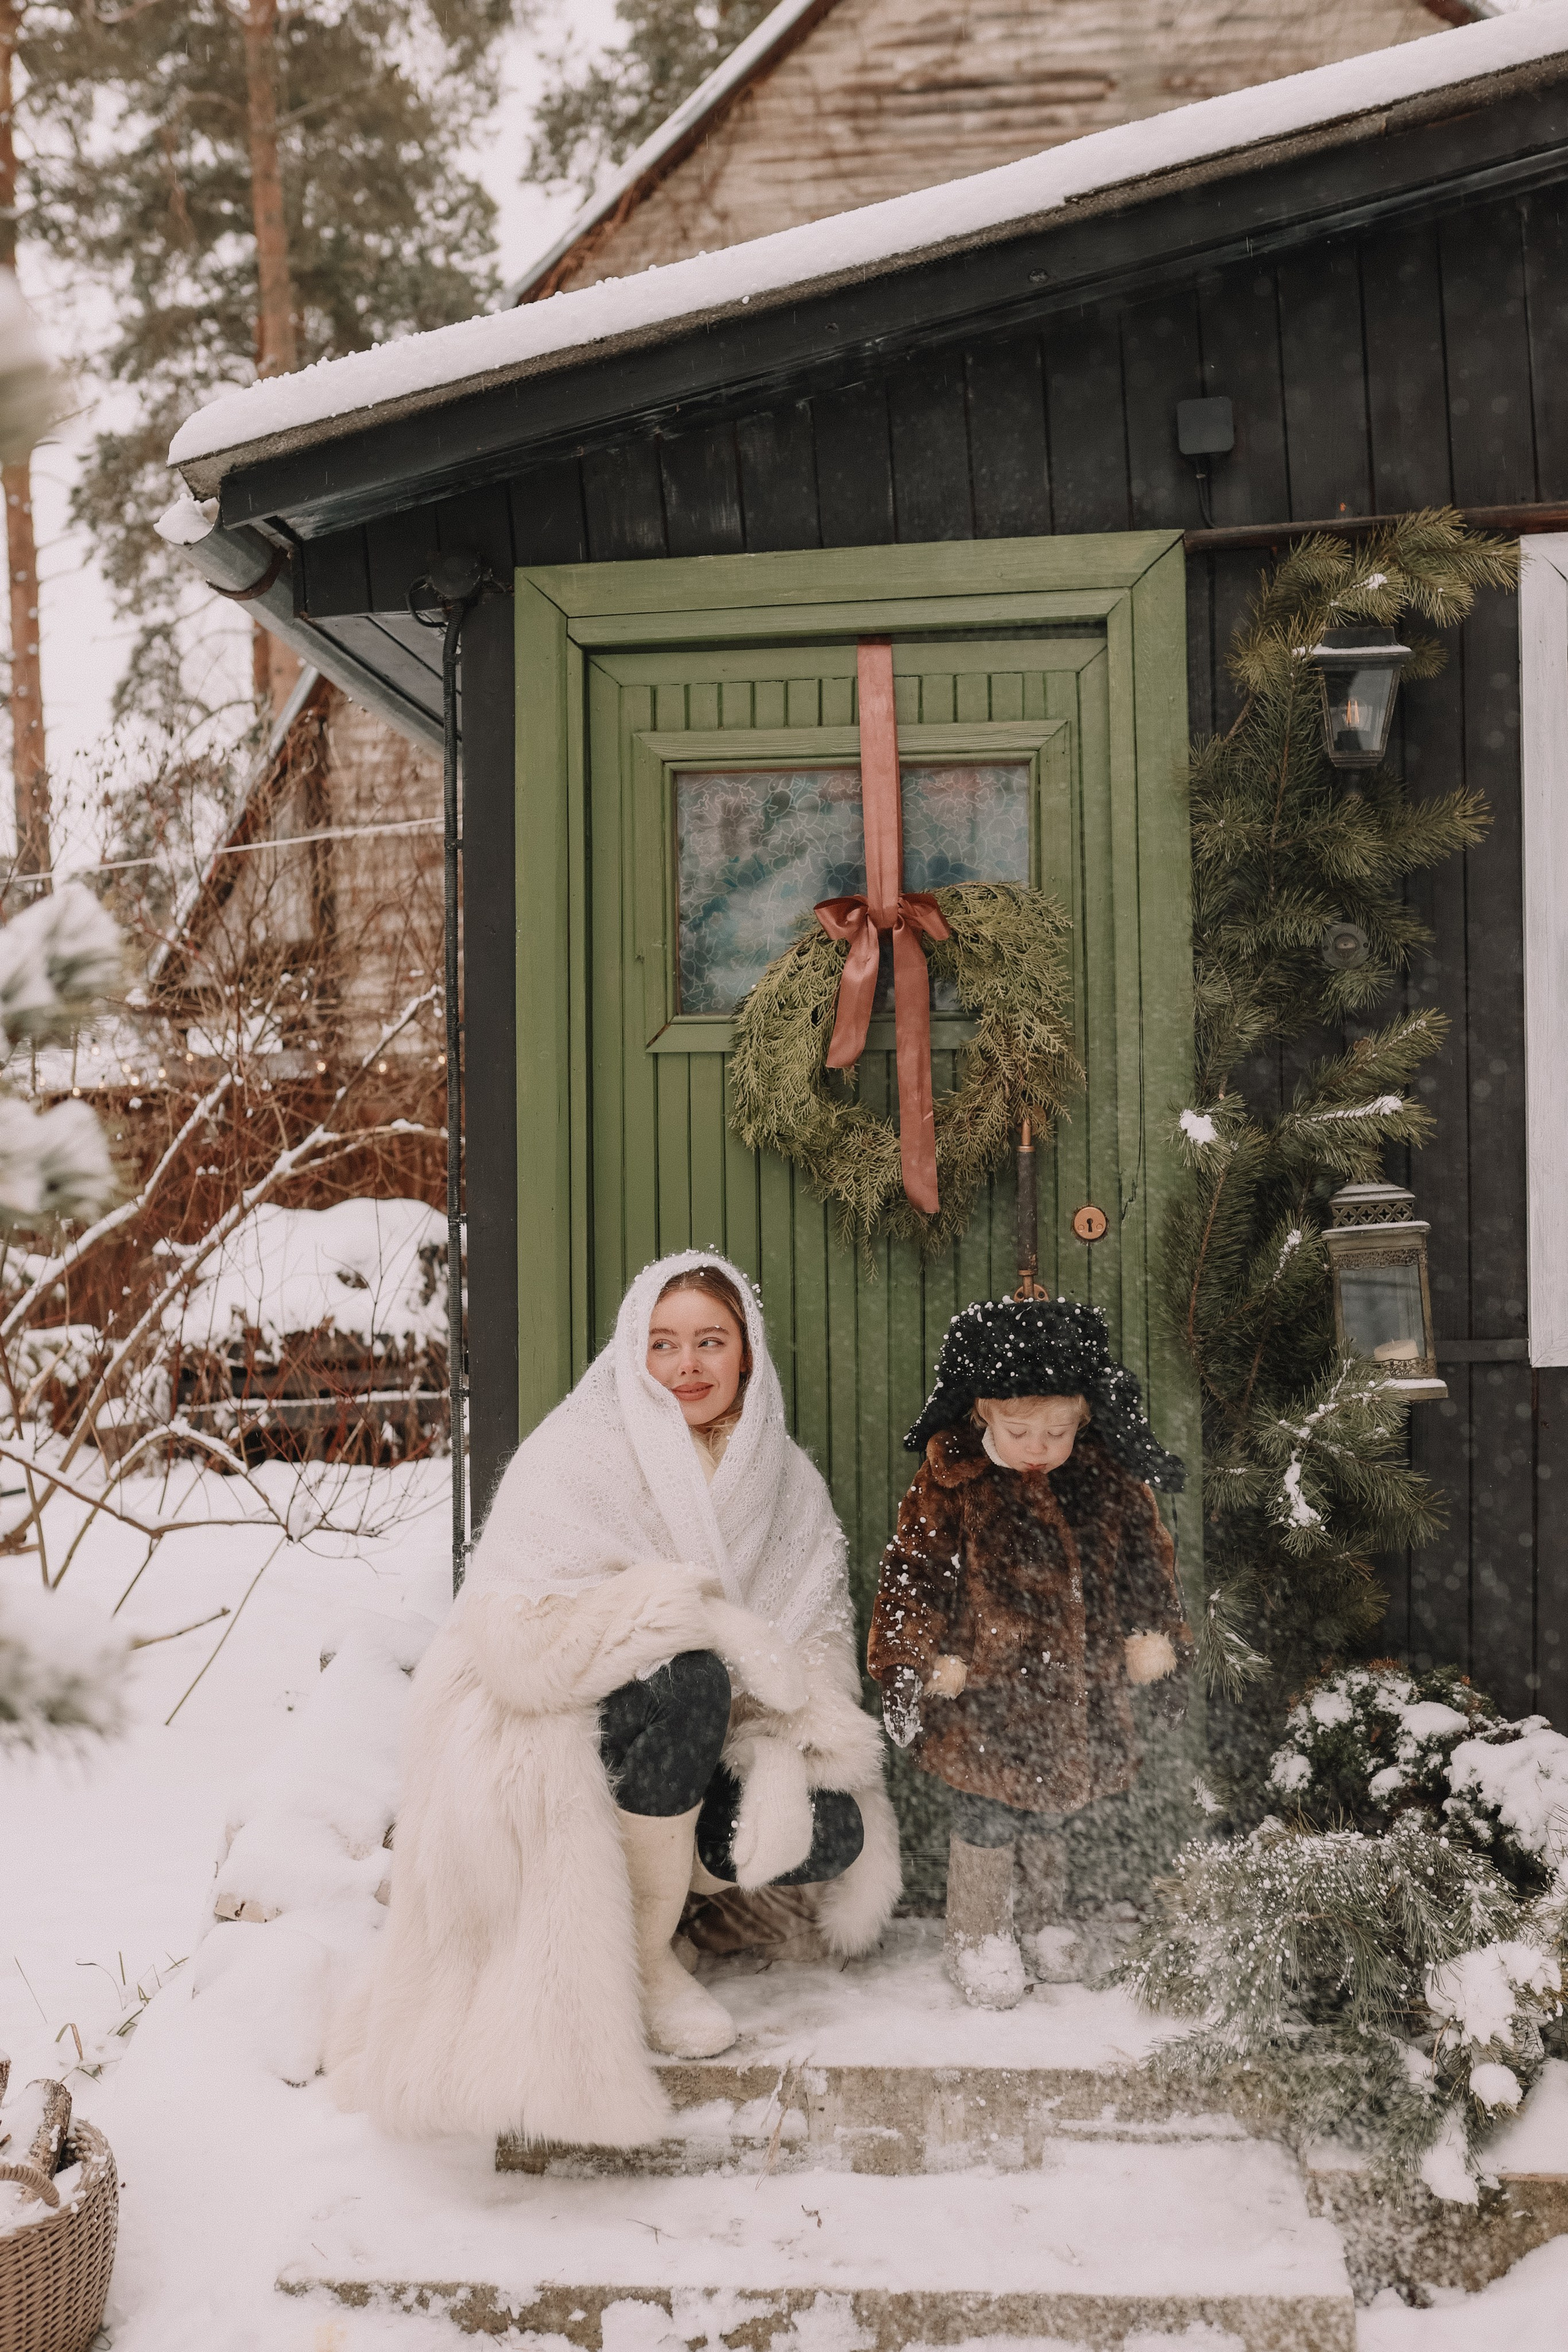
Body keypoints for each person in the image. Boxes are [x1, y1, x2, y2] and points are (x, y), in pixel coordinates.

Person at [335, 1250, 900, 2150]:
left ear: (746, 1354)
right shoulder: (577, 1453)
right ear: (634, 1357)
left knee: (834, 1825)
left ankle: (664, 1910)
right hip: (548, 1722)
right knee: (691, 1676)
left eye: (710, 1342)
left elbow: (813, 1666)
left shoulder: (786, 1481)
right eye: (664, 1344)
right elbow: (519, 1647)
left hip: (697, 1738)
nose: (688, 1366)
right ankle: (642, 1965)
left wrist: (779, 1766)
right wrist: (700, 1620)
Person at [867, 1296, 1188, 2011]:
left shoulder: (1105, 1484)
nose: (1037, 1446)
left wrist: (1161, 1644)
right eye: (1017, 1429)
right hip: (980, 1690)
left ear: (1084, 1418)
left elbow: (1144, 1566)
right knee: (986, 1814)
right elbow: (911, 1576)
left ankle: (1044, 1918)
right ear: (981, 1413)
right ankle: (978, 1935)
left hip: (1075, 1688)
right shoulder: (950, 1482)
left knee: (1053, 1806)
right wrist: (904, 1666)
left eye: (1056, 1430)